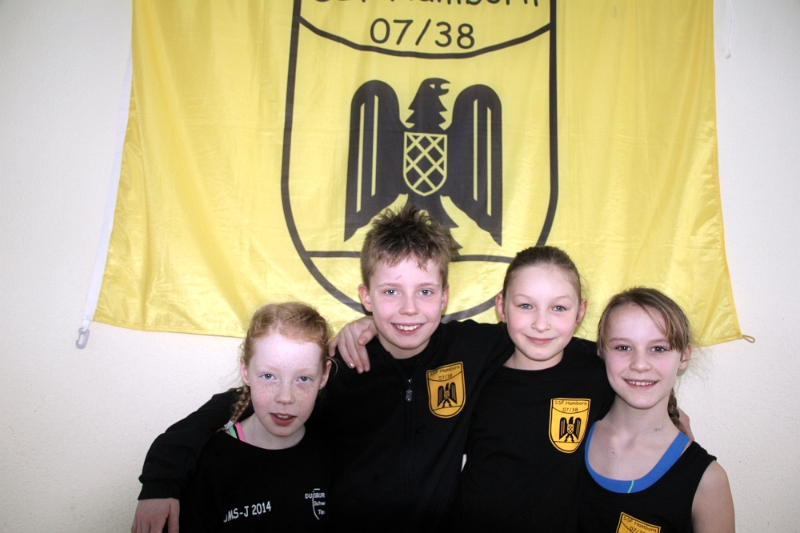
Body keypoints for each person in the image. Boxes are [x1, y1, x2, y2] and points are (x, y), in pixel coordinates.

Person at [131, 204, 515, 533]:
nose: (409, 308)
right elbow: (244, 401)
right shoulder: (342, 365)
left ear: (445, 297)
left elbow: (537, 333)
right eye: (391, 292)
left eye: (425, 291)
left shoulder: (471, 348)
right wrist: (162, 482)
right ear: (366, 297)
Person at [577, 288, 734, 532]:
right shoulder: (568, 439)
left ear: (684, 356)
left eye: (658, 348)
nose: (640, 364)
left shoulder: (707, 481)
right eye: (623, 347)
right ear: (600, 351)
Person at [176, 302, 332, 532]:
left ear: (324, 376)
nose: (285, 397)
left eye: (303, 379)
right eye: (268, 376)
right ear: (246, 371)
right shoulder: (210, 462)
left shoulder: (332, 453)